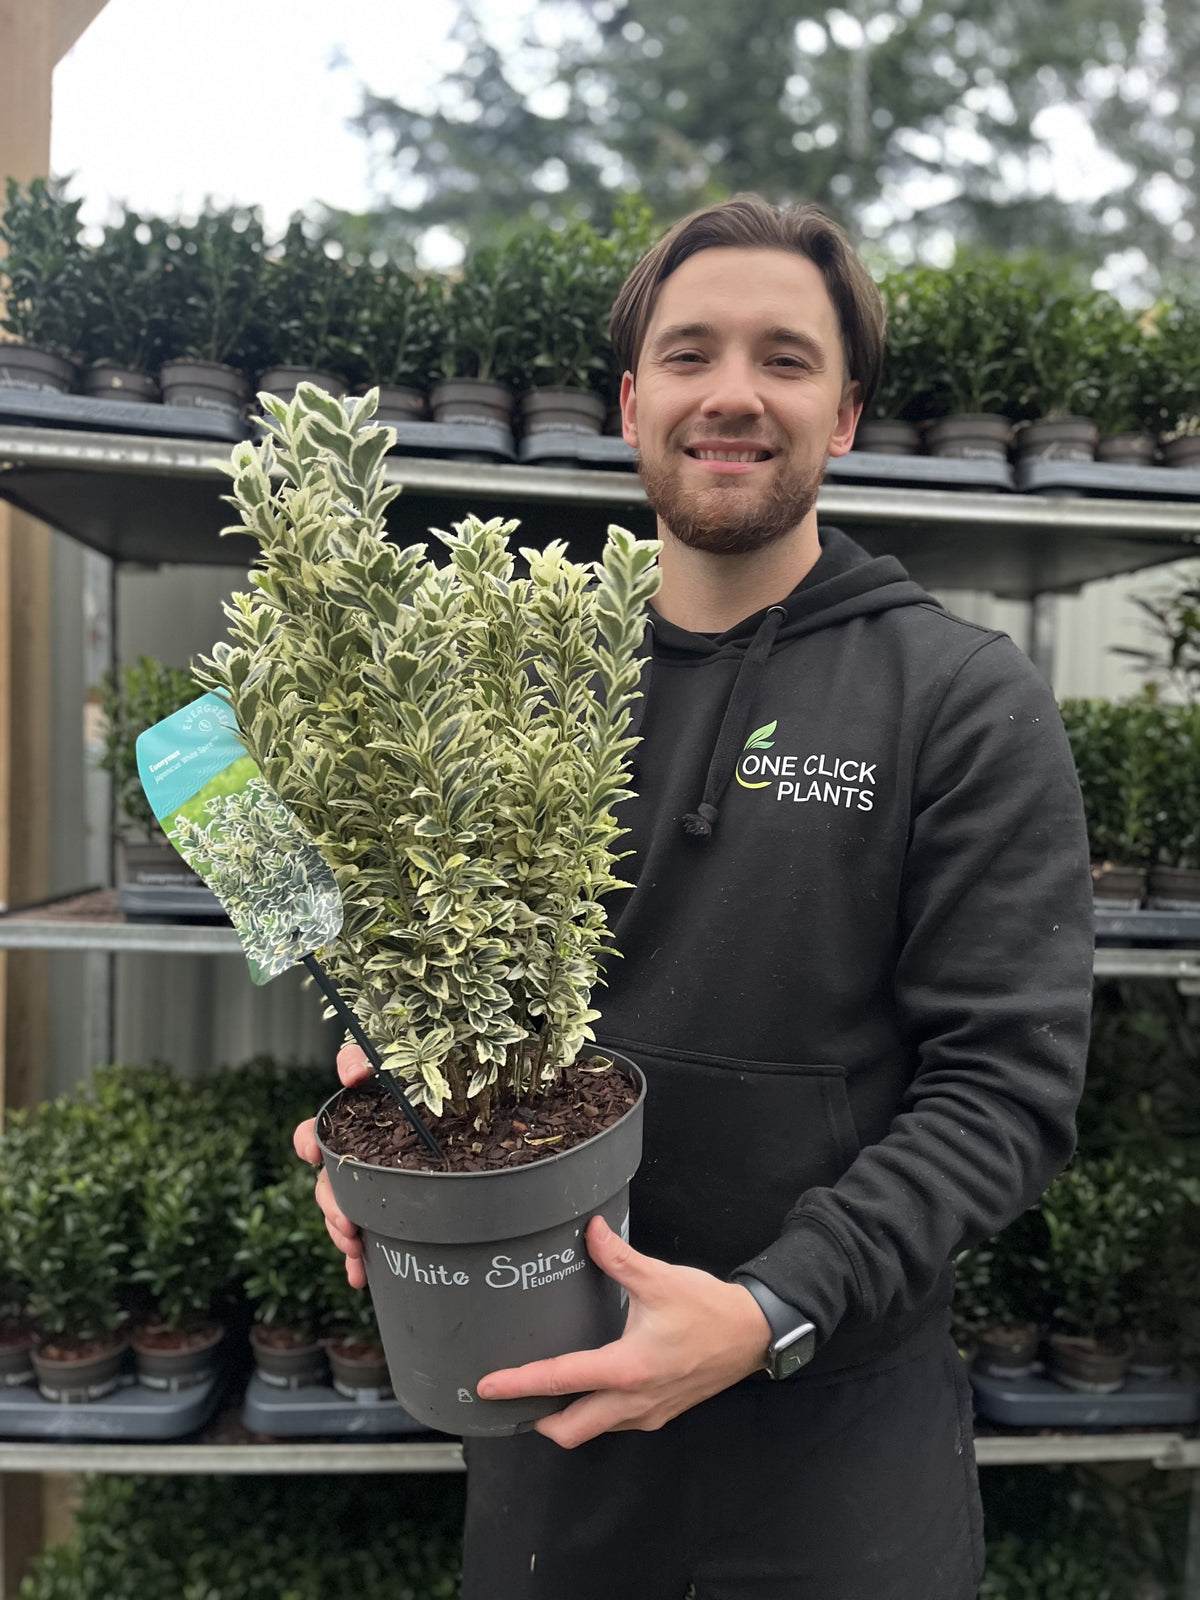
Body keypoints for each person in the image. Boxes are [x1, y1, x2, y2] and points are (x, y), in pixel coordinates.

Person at [294, 192, 1094, 1599]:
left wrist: (769, 1307)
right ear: (630, 399)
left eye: (786, 358)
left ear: (845, 413)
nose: (734, 394)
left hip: (833, 1454)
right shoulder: (502, 690)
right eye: (690, 353)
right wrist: (385, 1116)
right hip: (548, 1449)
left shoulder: (960, 701)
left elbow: (1006, 1091)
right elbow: (411, 968)